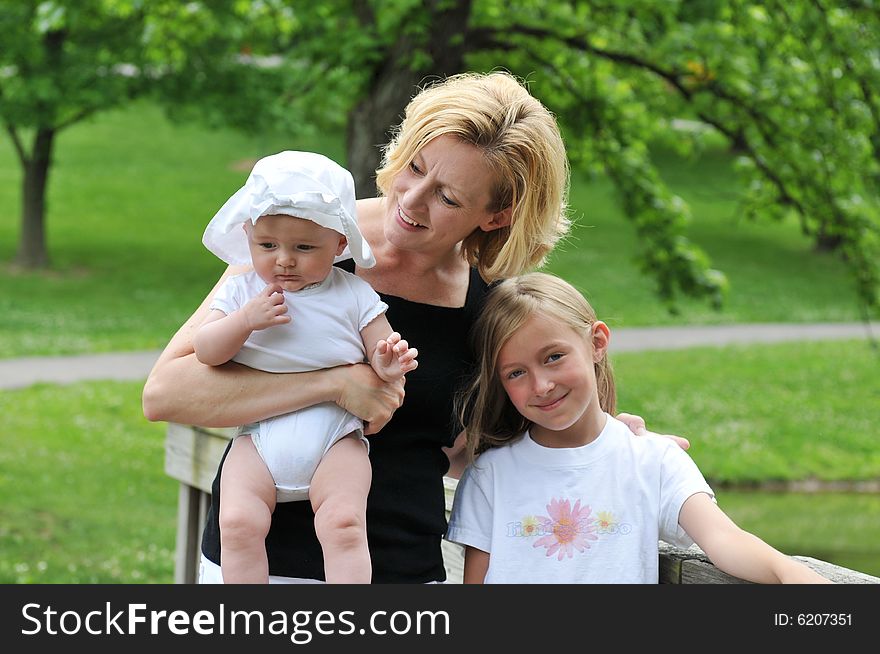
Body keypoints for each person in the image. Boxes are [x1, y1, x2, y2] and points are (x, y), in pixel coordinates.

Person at [143, 71, 669, 583]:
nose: (411, 200)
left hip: (403, 573)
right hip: (256, 564)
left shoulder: (489, 305)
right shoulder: (306, 238)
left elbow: (473, 448)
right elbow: (166, 394)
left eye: (448, 197)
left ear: (497, 215)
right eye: (415, 167)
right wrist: (333, 385)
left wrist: (595, 439)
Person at [446, 272, 831, 584]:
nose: (541, 385)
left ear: (597, 343)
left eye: (554, 357)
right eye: (516, 373)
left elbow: (723, 538)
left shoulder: (654, 461)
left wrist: (789, 572)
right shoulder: (490, 475)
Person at [192, 151, 417, 583]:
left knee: (344, 524)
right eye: (267, 245)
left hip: (335, 439)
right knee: (237, 523)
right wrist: (244, 322)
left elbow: (382, 355)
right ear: (247, 235)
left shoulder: (352, 294)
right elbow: (206, 350)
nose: (284, 260)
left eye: (304, 247)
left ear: (339, 245)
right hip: (258, 437)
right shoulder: (244, 291)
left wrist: (390, 364)